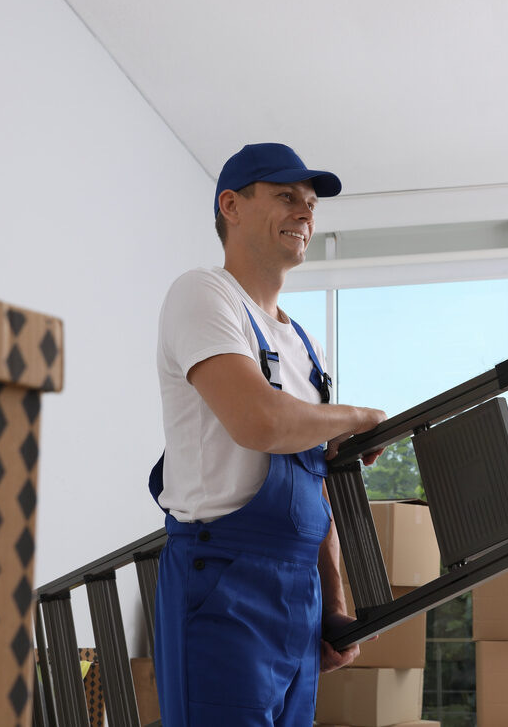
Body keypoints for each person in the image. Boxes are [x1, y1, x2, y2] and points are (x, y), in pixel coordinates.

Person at [148, 142, 388, 727]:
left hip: (299, 591)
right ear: (231, 205)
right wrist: (357, 417)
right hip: (222, 581)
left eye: (311, 204)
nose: (305, 213)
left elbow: (317, 488)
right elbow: (260, 421)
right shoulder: (204, 294)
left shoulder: (306, 346)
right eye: (286, 197)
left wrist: (332, 601)